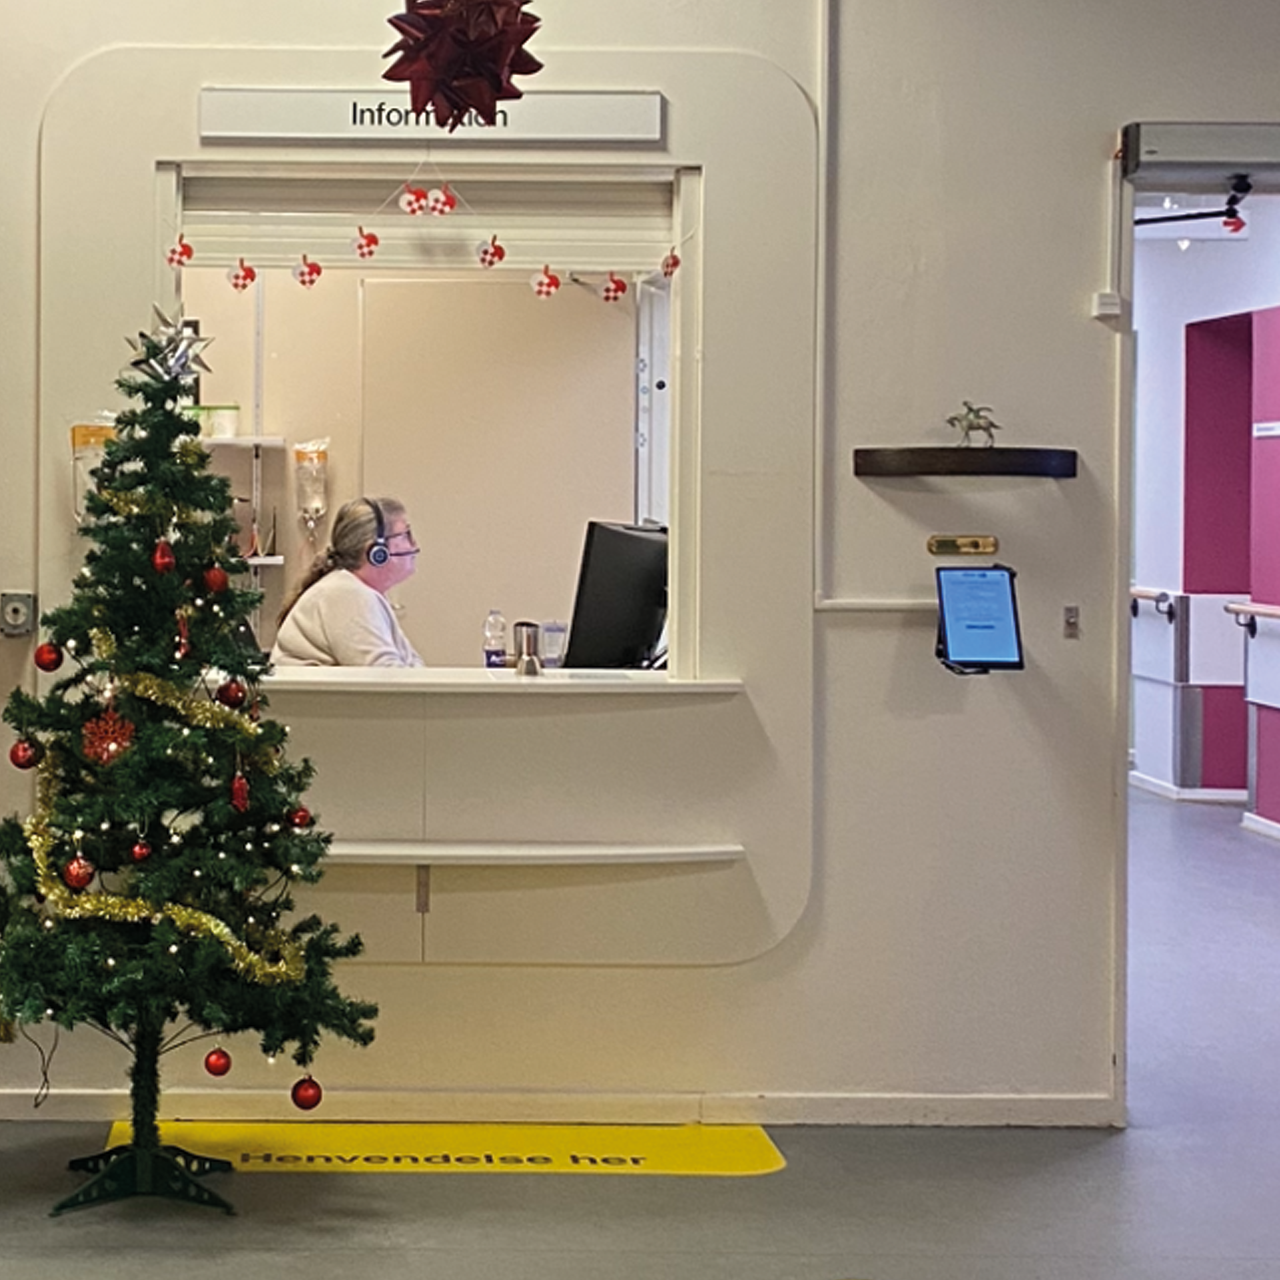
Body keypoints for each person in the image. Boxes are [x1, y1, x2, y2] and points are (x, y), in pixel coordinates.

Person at [271, 496, 425, 667]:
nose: (413, 544)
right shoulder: (346, 594)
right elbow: (384, 677)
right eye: (405, 535)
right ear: (377, 551)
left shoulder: (354, 591)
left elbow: (412, 671)